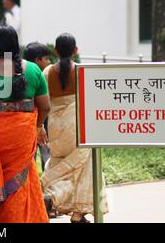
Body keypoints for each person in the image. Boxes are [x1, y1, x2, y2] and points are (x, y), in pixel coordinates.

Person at [0, 26, 50, 223]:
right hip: (22, 138)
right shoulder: (33, 69)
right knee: (23, 181)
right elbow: (45, 106)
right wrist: (37, 126)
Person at [41, 33, 109, 223]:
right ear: (76, 51)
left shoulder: (47, 73)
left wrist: (40, 128)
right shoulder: (81, 71)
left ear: (55, 50)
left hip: (55, 126)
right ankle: (73, 210)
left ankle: (55, 199)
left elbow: (43, 104)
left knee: (59, 164)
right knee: (83, 170)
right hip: (77, 126)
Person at [23, 42, 52, 172]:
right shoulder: (40, 75)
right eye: (46, 58)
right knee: (45, 152)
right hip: (40, 121)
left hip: (28, 122)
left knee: (30, 157)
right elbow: (46, 106)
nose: (48, 62)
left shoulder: (21, 73)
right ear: (37, 60)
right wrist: (40, 126)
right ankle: (45, 182)